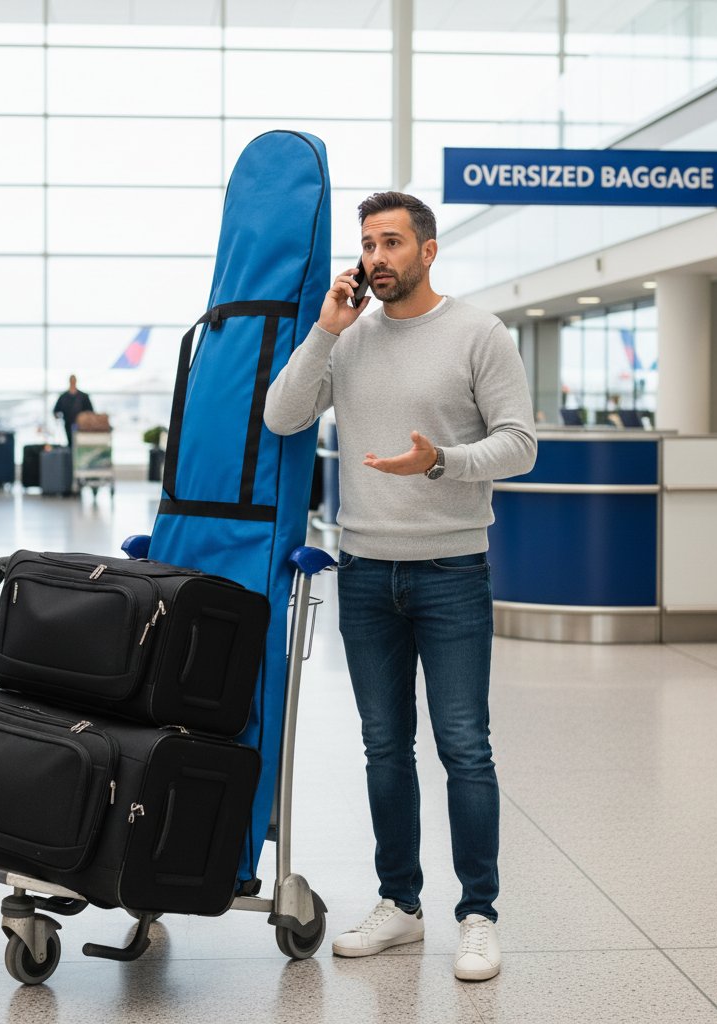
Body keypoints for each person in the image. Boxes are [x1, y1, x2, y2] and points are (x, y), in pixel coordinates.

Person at [264, 192, 536, 981]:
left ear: (428, 250)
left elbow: (520, 445)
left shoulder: (479, 334)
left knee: (464, 747)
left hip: (452, 569)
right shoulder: (346, 339)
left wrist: (442, 461)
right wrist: (325, 330)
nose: (377, 257)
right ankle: (401, 905)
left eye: (392, 242)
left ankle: (478, 914)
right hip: (367, 569)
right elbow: (284, 417)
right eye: (368, 244)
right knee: (384, 746)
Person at [52, 375, 94, 448]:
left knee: (80, 444)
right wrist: (57, 416)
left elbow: (90, 411)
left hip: (82, 426)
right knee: (71, 444)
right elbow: (56, 411)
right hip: (68, 424)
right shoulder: (63, 397)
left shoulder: (83, 396)